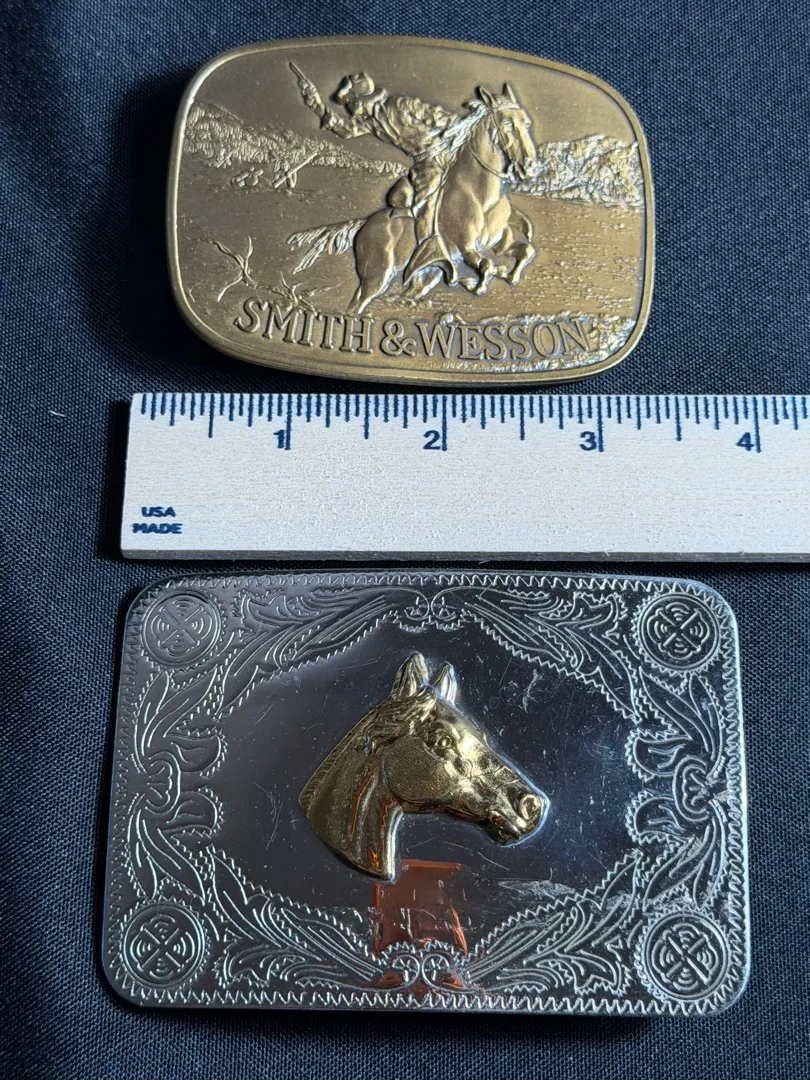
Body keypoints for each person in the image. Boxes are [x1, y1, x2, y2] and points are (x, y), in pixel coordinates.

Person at [295, 68, 458, 283]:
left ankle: (431, 249)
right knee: (397, 199)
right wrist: (316, 105)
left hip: (441, 157)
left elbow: (439, 117)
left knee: (423, 200)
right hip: (421, 165)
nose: (348, 107)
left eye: (349, 102)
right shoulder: (370, 122)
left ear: (360, 101)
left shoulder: (400, 105)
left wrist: (454, 130)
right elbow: (345, 130)